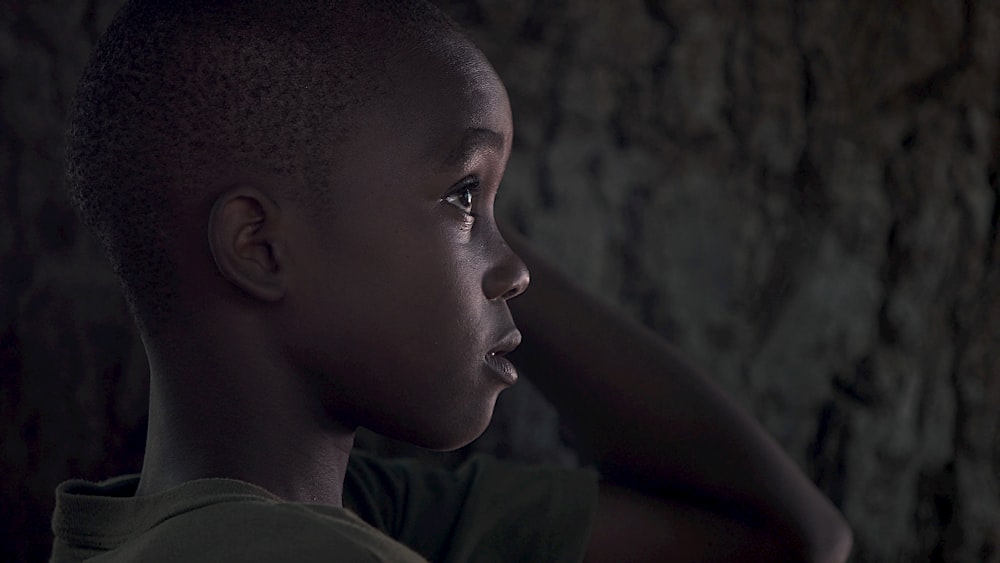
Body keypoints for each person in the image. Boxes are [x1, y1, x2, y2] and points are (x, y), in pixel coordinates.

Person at [50, 0, 853, 561]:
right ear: (259, 248)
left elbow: (789, 539)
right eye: (464, 196)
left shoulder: (356, 513)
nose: (519, 269)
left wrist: (468, 210)